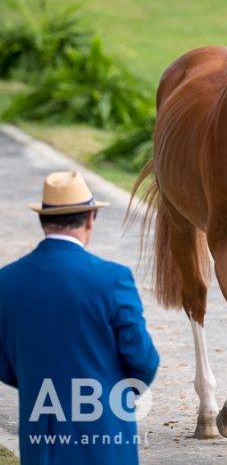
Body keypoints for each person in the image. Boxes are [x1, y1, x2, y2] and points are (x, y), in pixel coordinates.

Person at [0, 171, 159, 465]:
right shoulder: (113, 279)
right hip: (105, 437)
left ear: (43, 221)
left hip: (41, 438)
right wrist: (114, 396)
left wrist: (40, 382)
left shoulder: (6, 281)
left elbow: (4, 363)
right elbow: (144, 360)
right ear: (89, 219)